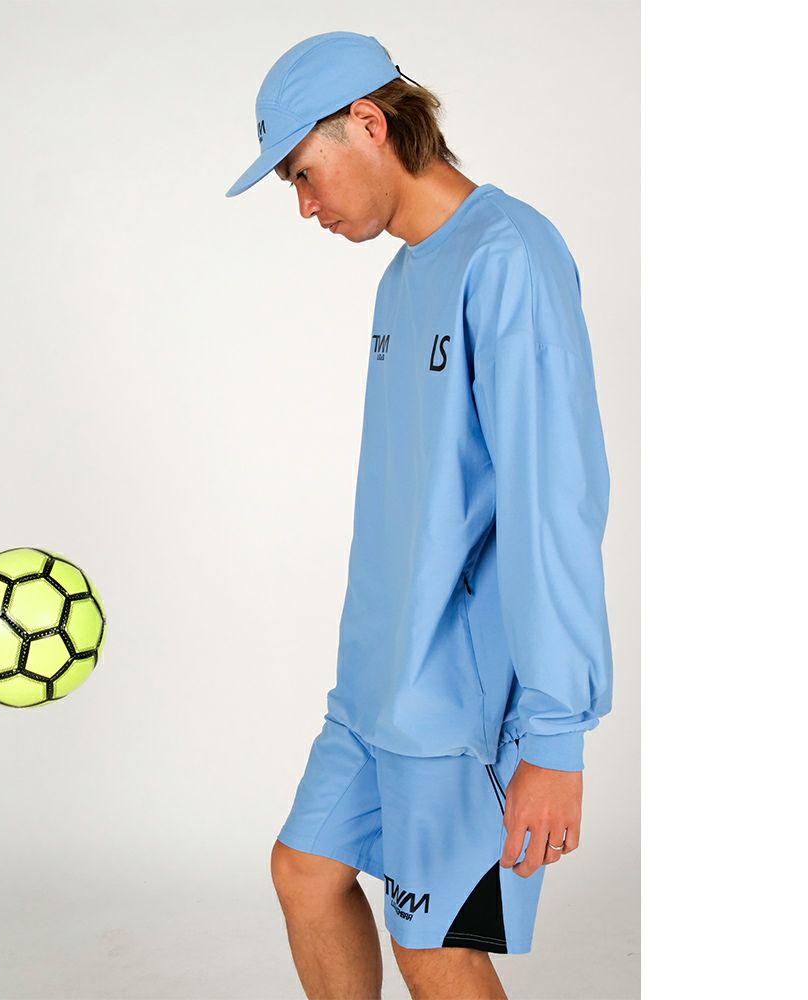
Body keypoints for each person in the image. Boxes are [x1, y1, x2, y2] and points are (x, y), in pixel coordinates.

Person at [225, 31, 614, 1000]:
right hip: (377, 684)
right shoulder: (404, 277)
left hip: (457, 701)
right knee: (305, 873)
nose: (305, 206)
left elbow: (554, 503)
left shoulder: (510, 255)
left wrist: (554, 736)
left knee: (433, 947)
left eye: (303, 174)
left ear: (368, 123)